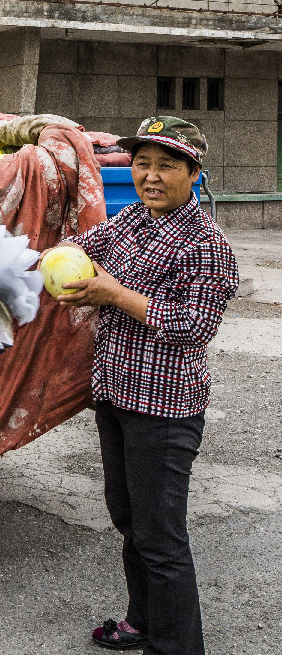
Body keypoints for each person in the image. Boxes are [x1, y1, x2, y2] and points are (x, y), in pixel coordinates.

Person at [52, 116, 238, 654]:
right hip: (116, 395)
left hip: (164, 407)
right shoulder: (131, 220)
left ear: (194, 172)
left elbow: (193, 327)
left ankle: (176, 646)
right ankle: (143, 621)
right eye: (142, 163)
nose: (150, 176)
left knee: (161, 538)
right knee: (129, 516)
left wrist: (117, 296)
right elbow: (80, 250)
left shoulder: (206, 243)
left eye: (167, 165)